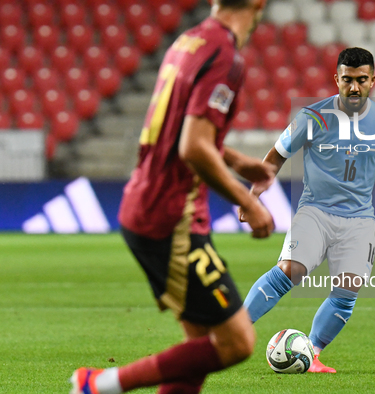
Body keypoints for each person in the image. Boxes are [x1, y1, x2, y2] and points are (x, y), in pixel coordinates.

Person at [70, 1, 274, 393]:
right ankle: (99, 384)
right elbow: (194, 148)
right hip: (171, 216)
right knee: (236, 342)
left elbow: (182, 128)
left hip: (144, 203)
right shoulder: (226, 57)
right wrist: (245, 199)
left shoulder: (189, 41)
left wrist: (238, 161)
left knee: (197, 350)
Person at [242, 47, 375, 373]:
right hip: (315, 211)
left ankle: (313, 353)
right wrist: (253, 197)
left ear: (373, 80)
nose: (353, 87)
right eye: (347, 79)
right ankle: (233, 329)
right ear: (336, 79)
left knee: (348, 289)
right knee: (291, 270)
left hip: (359, 219)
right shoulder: (312, 118)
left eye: (361, 80)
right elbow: (275, 157)